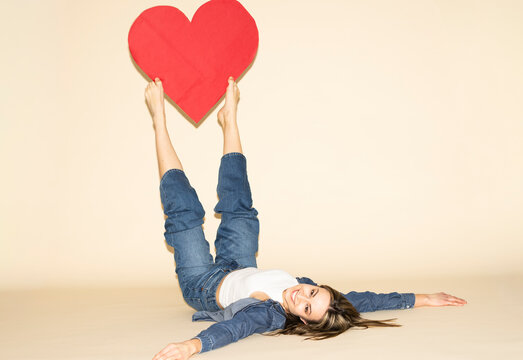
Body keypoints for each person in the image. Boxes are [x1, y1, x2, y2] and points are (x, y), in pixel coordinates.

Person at [145, 76, 467, 360]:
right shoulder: (309, 290)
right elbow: (365, 301)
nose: (302, 295)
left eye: (306, 307)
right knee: (241, 208)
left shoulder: (266, 315)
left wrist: (192, 347)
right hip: (239, 265)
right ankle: (230, 120)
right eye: (313, 293)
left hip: (202, 285)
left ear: (301, 320)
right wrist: (422, 298)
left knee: (184, 214)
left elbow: (235, 329)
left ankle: (158, 119)